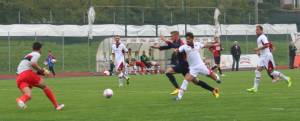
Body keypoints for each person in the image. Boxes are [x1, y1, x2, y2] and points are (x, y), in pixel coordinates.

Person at [151, 31, 219, 95]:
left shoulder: (180, 42)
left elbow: (174, 46)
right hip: (185, 65)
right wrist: (157, 47)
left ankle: (177, 88)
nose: (171, 38)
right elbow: (168, 46)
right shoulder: (176, 43)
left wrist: (164, 39)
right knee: (196, 82)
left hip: (184, 64)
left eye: (172, 36)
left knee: (168, 72)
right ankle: (213, 90)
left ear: (176, 36)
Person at [15, 42, 65, 110]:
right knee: (45, 86)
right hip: (26, 74)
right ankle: (57, 105)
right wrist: (42, 71)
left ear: (32, 48)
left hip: (19, 77)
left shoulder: (28, 55)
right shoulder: (36, 54)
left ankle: (21, 100)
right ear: (40, 49)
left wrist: (40, 73)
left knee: (28, 95)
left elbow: (25, 71)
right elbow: (33, 64)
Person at [173, 32, 221, 100]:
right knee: (186, 81)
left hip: (201, 66)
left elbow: (206, 45)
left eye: (189, 39)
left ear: (193, 39)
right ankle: (179, 97)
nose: (187, 40)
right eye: (186, 39)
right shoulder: (184, 47)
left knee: (215, 78)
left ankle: (217, 78)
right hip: (193, 68)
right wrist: (176, 51)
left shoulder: (197, 44)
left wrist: (214, 45)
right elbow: (178, 50)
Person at [247, 25, 291, 92]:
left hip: (267, 57)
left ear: (261, 30)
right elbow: (263, 46)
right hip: (262, 57)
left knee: (271, 72)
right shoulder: (259, 38)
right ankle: (255, 88)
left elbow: (267, 45)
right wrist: (259, 51)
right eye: (256, 30)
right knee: (257, 71)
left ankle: (286, 78)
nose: (256, 31)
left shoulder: (263, 36)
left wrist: (258, 49)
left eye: (258, 29)